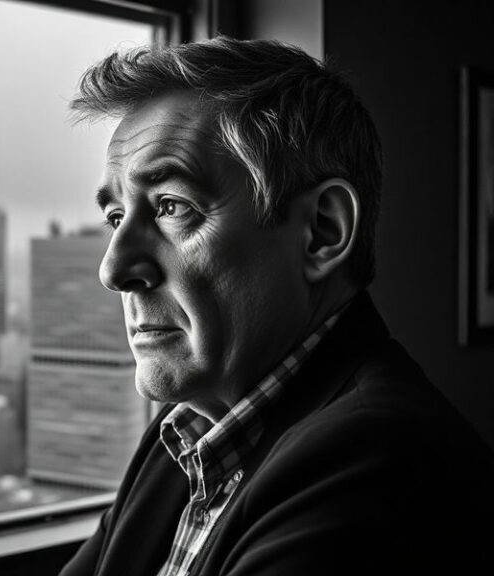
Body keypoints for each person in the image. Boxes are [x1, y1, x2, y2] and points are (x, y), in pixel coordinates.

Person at [58, 37, 494, 576]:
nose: (113, 269)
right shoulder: (181, 439)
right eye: (117, 217)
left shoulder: (378, 460)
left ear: (322, 232)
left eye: (172, 206)